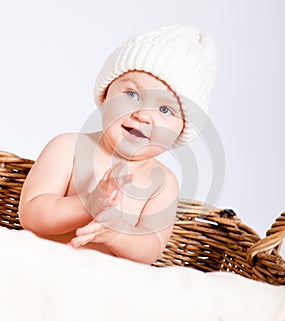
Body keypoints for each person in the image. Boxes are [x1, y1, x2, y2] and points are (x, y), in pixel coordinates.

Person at [19, 25, 217, 264]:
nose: (143, 115)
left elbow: (151, 249)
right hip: (41, 265)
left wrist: (117, 233)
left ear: (181, 132)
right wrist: (85, 204)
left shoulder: (163, 184)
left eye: (165, 109)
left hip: (104, 286)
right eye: (132, 95)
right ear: (105, 96)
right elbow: (30, 214)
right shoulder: (68, 148)